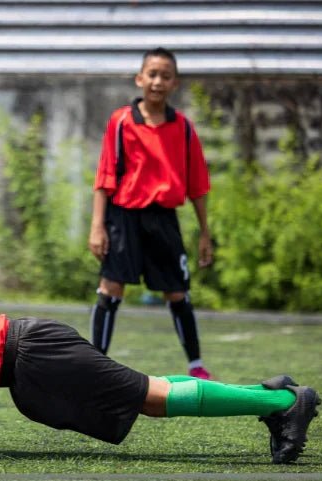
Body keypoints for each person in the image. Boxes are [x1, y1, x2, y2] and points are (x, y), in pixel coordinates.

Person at [0, 305, 321, 466]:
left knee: (151, 397)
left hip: (37, 353)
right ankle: (270, 397)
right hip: (29, 365)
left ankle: (283, 400)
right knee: (151, 396)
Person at [88, 47, 214, 379]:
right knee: (111, 287)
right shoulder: (121, 121)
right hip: (123, 217)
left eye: (166, 76)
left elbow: (198, 184)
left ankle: (196, 365)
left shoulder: (183, 128)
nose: (158, 81)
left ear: (175, 83)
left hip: (164, 220)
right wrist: (97, 226)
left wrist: (204, 233)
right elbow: (104, 177)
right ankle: (92, 367)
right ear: (140, 79)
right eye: (152, 74)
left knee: (177, 292)